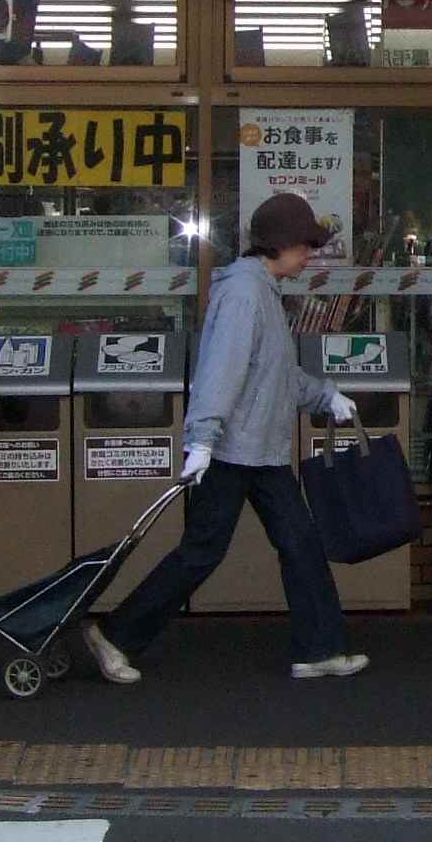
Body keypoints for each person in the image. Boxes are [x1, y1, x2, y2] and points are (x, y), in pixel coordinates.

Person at [82, 190, 366, 686]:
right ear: (278, 245)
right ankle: (118, 635)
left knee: (296, 544)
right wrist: (202, 441)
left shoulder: (262, 292)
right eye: (304, 245)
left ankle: (320, 649)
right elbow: (221, 371)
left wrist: (325, 396)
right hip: (234, 451)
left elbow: (273, 373)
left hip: (258, 449)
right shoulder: (244, 294)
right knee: (205, 551)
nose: (310, 255)